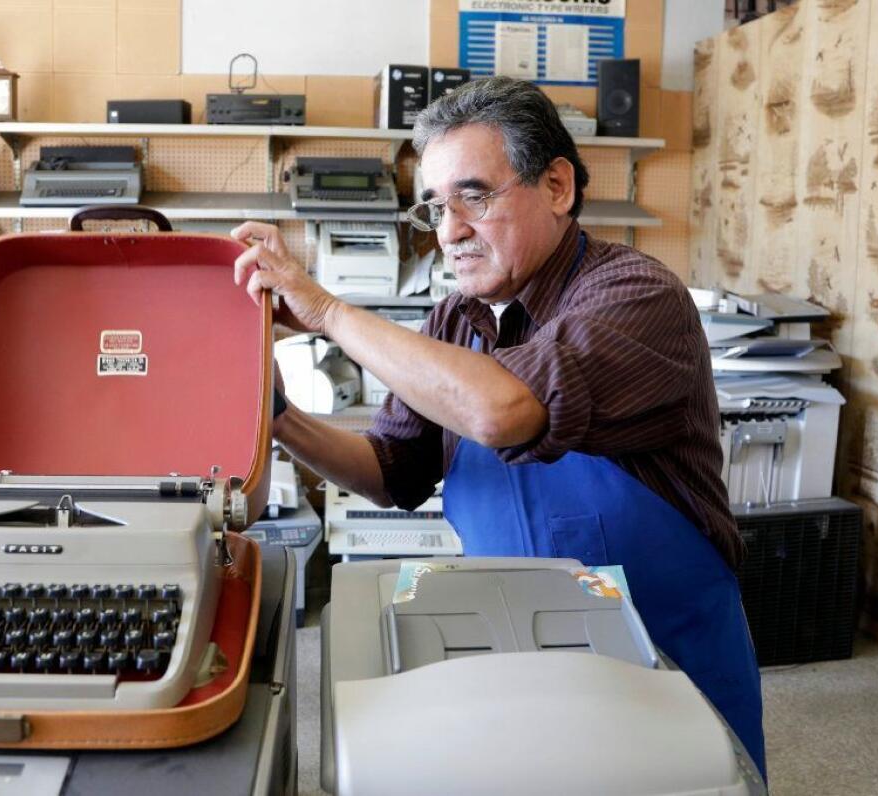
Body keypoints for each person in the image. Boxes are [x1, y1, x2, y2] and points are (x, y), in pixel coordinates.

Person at [231, 76, 765, 779]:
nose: (450, 231)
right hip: (513, 657)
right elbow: (390, 472)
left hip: (667, 676)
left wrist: (330, 314)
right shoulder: (454, 321)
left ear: (558, 187)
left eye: (474, 197)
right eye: (435, 208)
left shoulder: (637, 296)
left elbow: (504, 410)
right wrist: (279, 419)